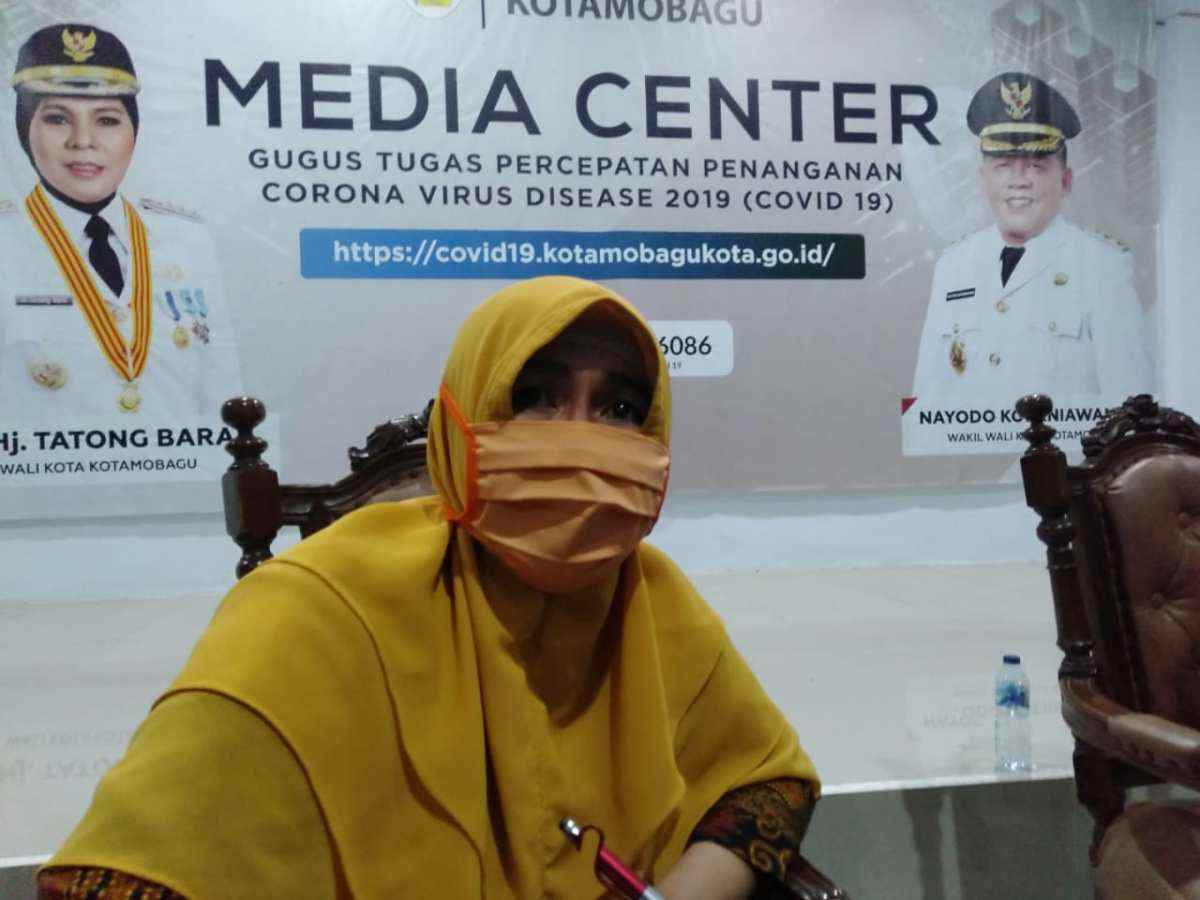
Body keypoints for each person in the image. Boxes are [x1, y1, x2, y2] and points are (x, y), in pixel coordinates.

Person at [37, 276, 821, 899]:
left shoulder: (651, 596)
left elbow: (766, 781)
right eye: (534, 396)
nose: (578, 439)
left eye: (619, 408)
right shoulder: (317, 606)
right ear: (461, 420)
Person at [2, 23, 240, 418]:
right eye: (58, 119)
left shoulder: (187, 241)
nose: (83, 141)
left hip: (176, 458)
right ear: (25, 129)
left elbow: (221, 397)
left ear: (134, 130)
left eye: (107, 120)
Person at [911, 71, 1152, 404]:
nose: (1018, 181)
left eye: (1036, 166)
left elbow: (1133, 408)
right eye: (1003, 166)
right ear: (983, 179)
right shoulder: (953, 266)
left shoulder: (1102, 266)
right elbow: (927, 399)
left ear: (1065, 181)